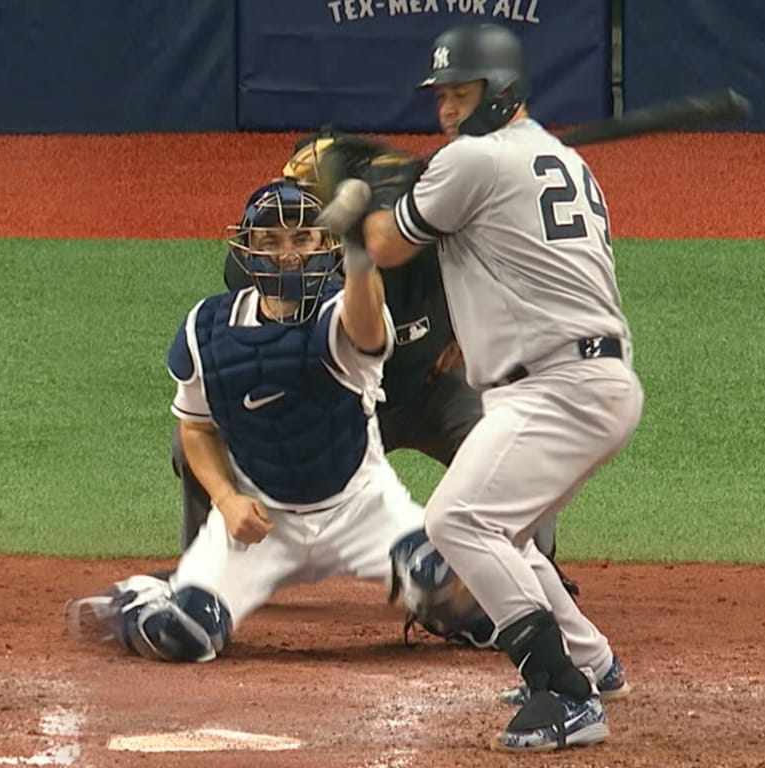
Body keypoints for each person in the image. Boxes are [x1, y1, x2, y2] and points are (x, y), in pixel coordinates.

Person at [337, 23, 641, 752]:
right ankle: (592, 663)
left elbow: (386, 245)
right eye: (441, 95)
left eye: (460, 92)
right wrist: (405, 186)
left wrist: (360, 202)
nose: (446, 108)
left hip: (557, 388)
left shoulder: (473, 160)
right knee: (500, 529)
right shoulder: (555, 158)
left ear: (500, 91)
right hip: (576, 382)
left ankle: (560, 693)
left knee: (458, 522)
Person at [169, 130, 579, 609]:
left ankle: (534, 571)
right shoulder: (299, 249)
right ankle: (203, 576)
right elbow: (252, 273)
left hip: (433, 391)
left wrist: (480, 326)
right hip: (336, 403)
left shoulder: (433, 235)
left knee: (511, 440)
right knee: (193, 439)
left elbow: (512, 266)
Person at [66, 178, 435, 663]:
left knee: (456, 594)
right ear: (247, 250)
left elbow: (365, 326)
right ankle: (139, 598)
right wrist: (226, 499)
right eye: (270, 241)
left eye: (302, 239)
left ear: (326, 246)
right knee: (180, 635)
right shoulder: (207, 330)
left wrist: (361, 254)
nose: (288, 255)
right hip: (261, 518)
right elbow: (195, 428)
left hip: (364, 508)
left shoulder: (342, 312)